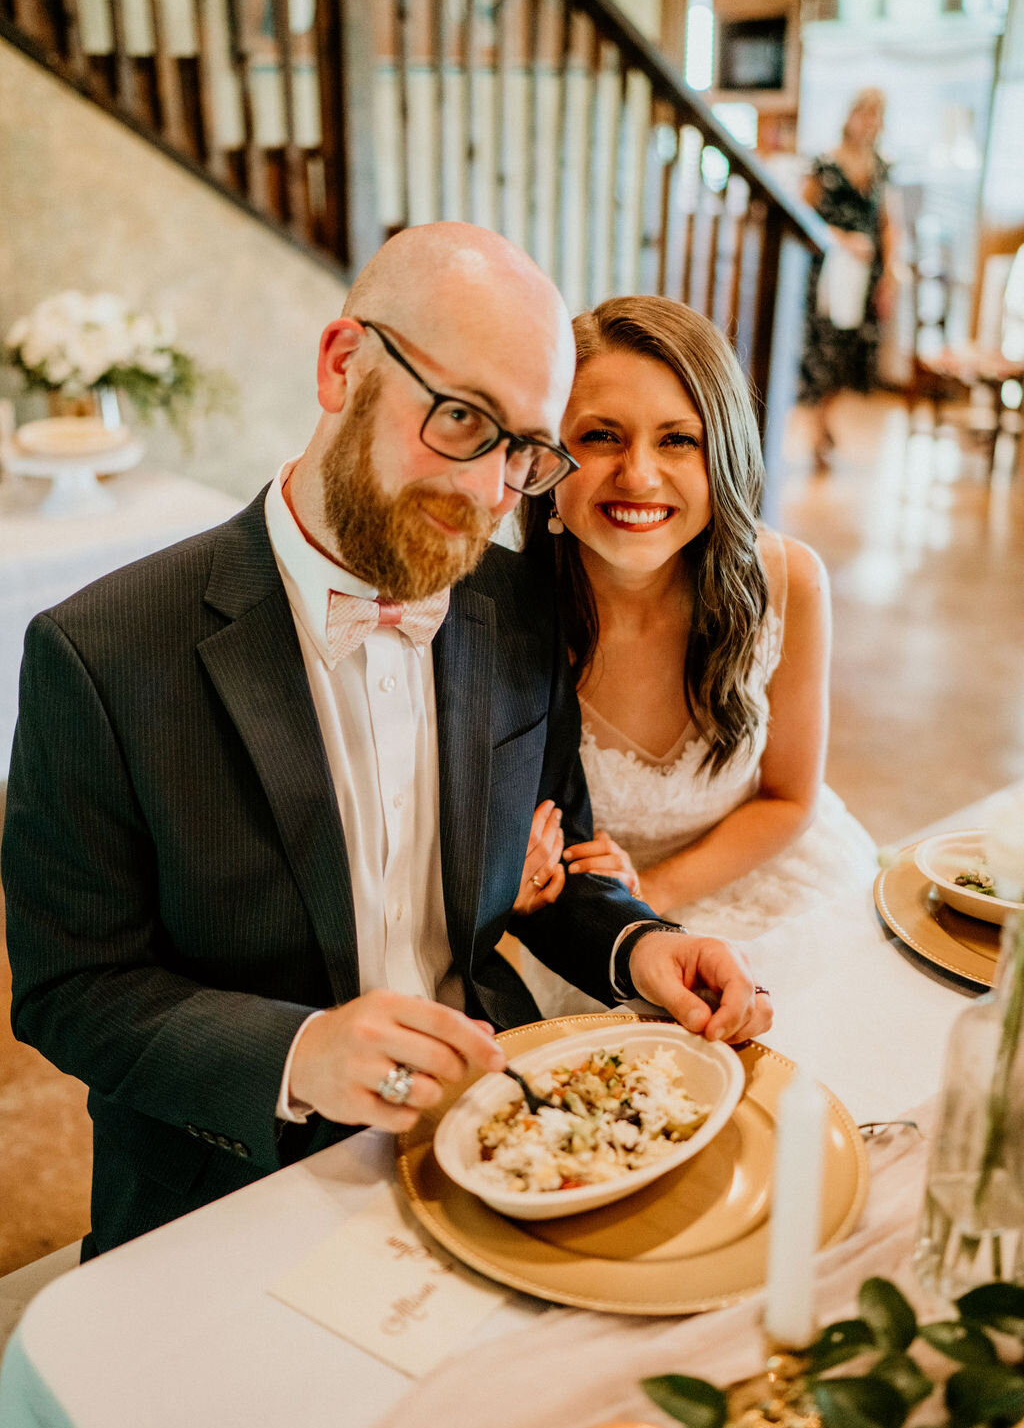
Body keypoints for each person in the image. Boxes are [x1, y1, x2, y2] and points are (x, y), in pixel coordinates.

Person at [2, 225, 770, 1256]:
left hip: (493, 1135)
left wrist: (642, 945)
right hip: (227, 1173)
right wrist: (299, 1049)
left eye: (526, 451)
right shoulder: (99, 654)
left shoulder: (519, 613)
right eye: (460, 419)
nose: (488, 491)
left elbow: (558, 861)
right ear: (340, 365)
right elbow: (70, 989)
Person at [517, 294, 877, 1016]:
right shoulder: (499, 613)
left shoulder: (789, 584)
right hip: (591, 931)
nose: (639, 475)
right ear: (550, 458)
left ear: (725, 453)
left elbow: (790, 798)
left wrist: (647, 893)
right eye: (602, 436)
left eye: (677, 439)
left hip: (766, 878)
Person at [797, 88, 899, 468]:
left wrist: (890, 273)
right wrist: (842, 241)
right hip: (827, 272)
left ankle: (827, 420)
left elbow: (890, 225)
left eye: (877, 114)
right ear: (852, 115)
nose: (870, 121)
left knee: (852, 354)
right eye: (865, 113)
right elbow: (802, 216)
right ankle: (818, 429)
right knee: (823, 352)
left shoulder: (882, 168)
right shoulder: (823, 164)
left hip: (865, 277)